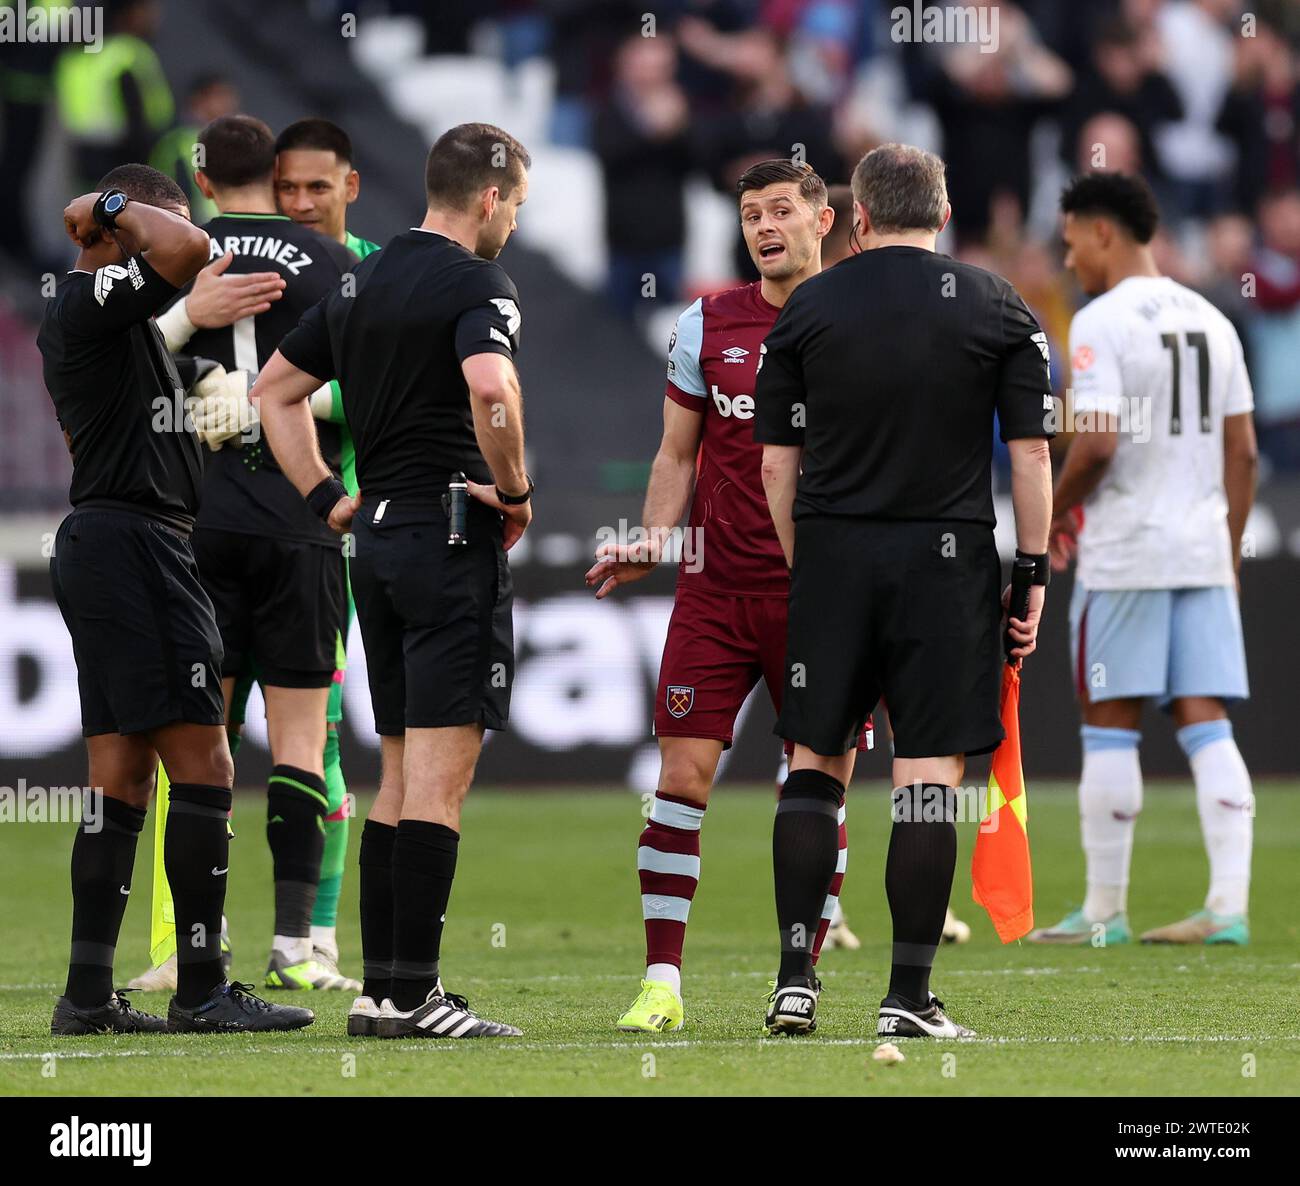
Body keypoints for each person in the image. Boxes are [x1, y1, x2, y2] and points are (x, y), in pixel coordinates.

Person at [754, 143, 1054, 1038]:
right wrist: (1029, 575)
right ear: (946, 208)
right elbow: (1033, 454)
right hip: (948, 561)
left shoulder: (808, 307)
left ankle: (794, 984)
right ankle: (907, 999)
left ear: (856, 220)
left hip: (835, 555)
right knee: (927, 782)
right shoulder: (999, 306)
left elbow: (777, 464)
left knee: (814, 768)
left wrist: (808, 561)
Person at [256, 122, 533, 1040]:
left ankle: (382, 992)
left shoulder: (356, 280)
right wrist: (517, 489)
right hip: (451, 536)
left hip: (372, 543)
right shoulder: (476, 281)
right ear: (490, 197)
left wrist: (326, 497)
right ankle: (415, 995)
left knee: (402, 770)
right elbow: (491, 389)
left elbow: (272, 390)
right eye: (517, 207)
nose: (514, 225)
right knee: (439, 784)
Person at [586, 159, 869, 1035]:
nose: (764, 225)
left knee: (814, 784)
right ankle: (661, 982)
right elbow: (677, 454)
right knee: (679, 780)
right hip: (714, 593)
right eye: (751, 214)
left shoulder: (861, 324)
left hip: (821, 597)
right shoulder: (707, 323)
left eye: (781, 209)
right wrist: (658, 538)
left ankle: (799, 975)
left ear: (824, 220)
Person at [38, 162, 311, 1035]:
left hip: (111, 545)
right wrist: (112, 211)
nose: (194, 260)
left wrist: (193, 409)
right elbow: (188, 247)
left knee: (118, 777)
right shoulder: (92, 299)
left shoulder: (110, 321)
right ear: (128, 234)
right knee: (207, 764)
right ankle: (202, 987)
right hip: (137, 549)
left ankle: (87, 997)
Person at [1029, 172, 1257, 947]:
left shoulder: (1100, 323)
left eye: (1070, 243)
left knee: (1109, 722)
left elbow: (1094, 444)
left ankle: (1102, 913)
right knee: (1207, 719)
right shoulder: (1213, 317)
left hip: (1125, 550)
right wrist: (1224, 551)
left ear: (1101, 232)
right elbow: (1245, 452)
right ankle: (1227, 909)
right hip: (1200, 547)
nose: (1069, 262)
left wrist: (1048, 517)